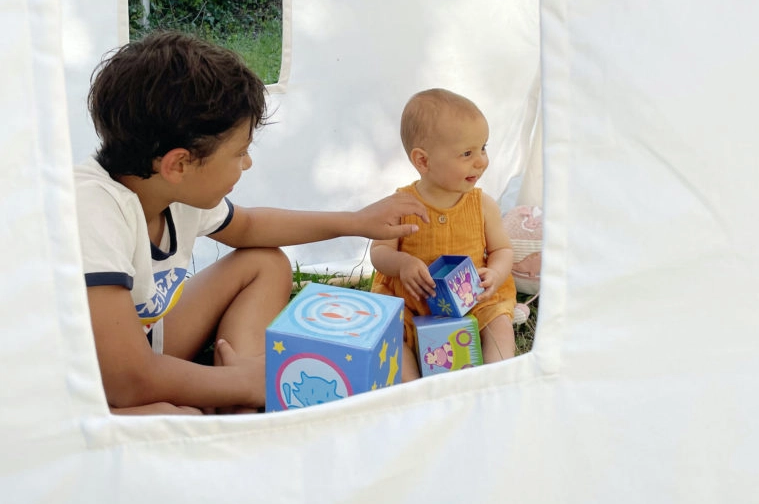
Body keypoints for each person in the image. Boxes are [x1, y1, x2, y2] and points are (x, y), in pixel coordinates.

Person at [76, 30, 428, 416]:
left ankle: (236, 390)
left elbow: (248, 227)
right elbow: (127, 381)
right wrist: (249, 384)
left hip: (137, 344)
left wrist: (356, 222)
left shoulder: (168, 189)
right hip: (83, 381)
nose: (247, 164)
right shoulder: (92, 211)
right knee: (183, 422)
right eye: (240, 152)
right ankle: (239, 387)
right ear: (178, 164)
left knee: (264, 262)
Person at [370, 88, 517, 381]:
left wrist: (496, 274)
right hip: (412, 301)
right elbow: (379, 253)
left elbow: (503, 250)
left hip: (473, 298)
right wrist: (402, 264)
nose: (481, 161)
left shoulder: (482, 204)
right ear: (423, 161)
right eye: (467, 153)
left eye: (483, 148)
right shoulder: (401, 205)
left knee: (498, 321)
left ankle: (497, 378)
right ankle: (413, 390)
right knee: (392, 335)